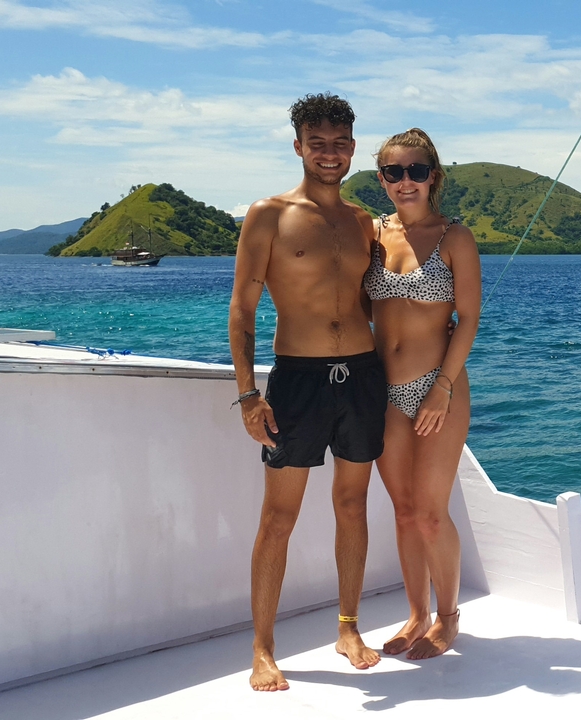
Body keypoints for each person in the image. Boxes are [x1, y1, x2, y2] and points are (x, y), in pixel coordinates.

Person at [228, 93, 385, 692]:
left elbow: (373, 302)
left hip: (362, 376)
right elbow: (242, 311)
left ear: (351, 148)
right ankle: (263, 648)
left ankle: (347, 627)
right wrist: (247, 394)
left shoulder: (362, 220)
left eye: (340, 143)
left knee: (352, 505)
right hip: (297, 379)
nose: (330, 153)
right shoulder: (268, 215)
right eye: (317, 143)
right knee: (279, 516)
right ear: (298, 146)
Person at [365, 128, 481, 660]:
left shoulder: (455, 237)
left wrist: (442, 387)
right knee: (405, 511)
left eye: (416, 170)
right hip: (382, 391)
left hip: (439, 388)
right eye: (394, 172)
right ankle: (415, 613)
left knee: (432, 513)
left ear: (433, 176)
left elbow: (469, 320)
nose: (405, 181)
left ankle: (448, 616)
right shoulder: (371, 234)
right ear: (382, 178)